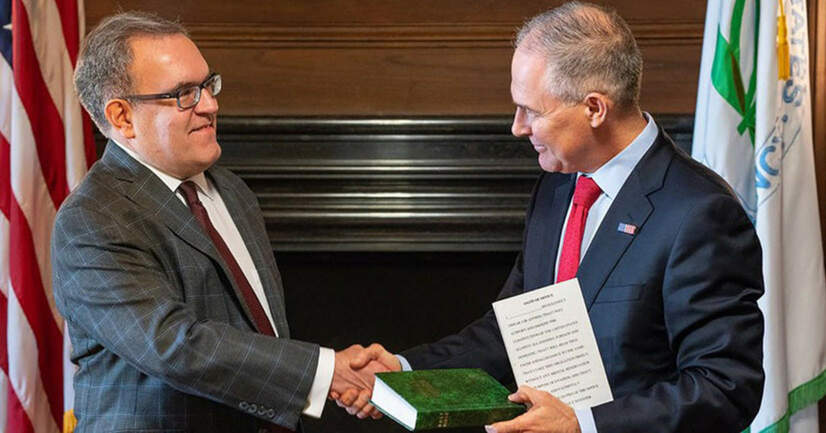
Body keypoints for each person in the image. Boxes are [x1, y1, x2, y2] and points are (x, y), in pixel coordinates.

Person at [339, 2, 765, 432]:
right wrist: (406, 370)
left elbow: (725, 387)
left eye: (532, 111)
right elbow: (515, 330)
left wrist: (584, 425)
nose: (517, 127)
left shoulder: (700, 213)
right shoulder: (558, 187)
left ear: (595, 109)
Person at [52, 12, 383, 433]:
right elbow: (174, 346)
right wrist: (325, 372)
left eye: (208, 85)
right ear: (121, 117)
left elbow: (259, 334)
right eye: (183, 94)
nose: (210, 105)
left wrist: (329, 373)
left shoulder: (232, 192)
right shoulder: (93, 218)